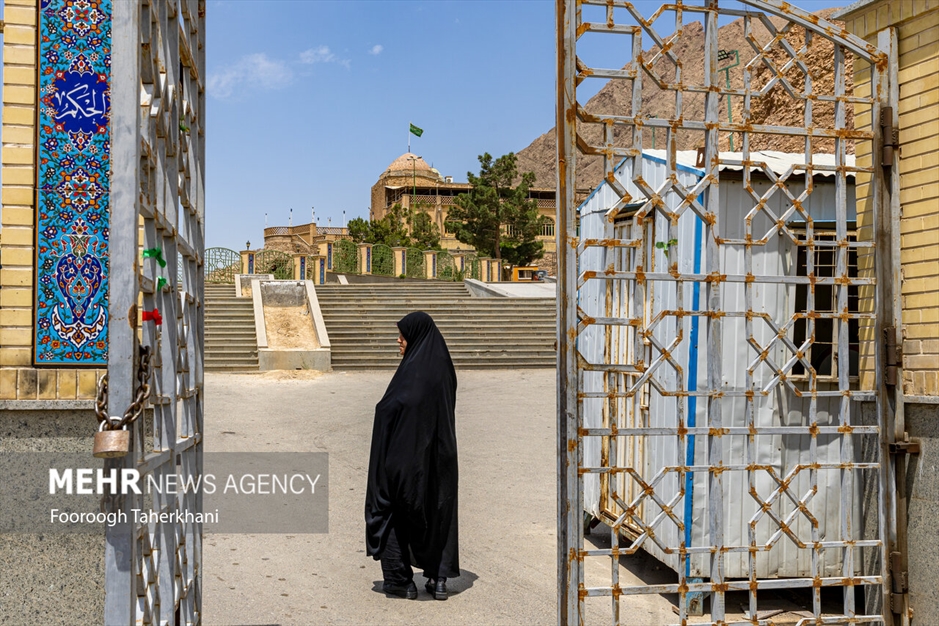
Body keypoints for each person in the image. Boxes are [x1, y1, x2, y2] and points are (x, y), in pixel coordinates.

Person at [365, 312, 460, 601]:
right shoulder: (442, 367)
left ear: (416, 337)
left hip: (407, 458)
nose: (399, 340)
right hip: (441, 456)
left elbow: (393, 407)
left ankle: (400, 581)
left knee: (389, 507)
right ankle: (438, 579)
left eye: (403, 335)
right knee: (437, 510)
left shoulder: (413, 374)